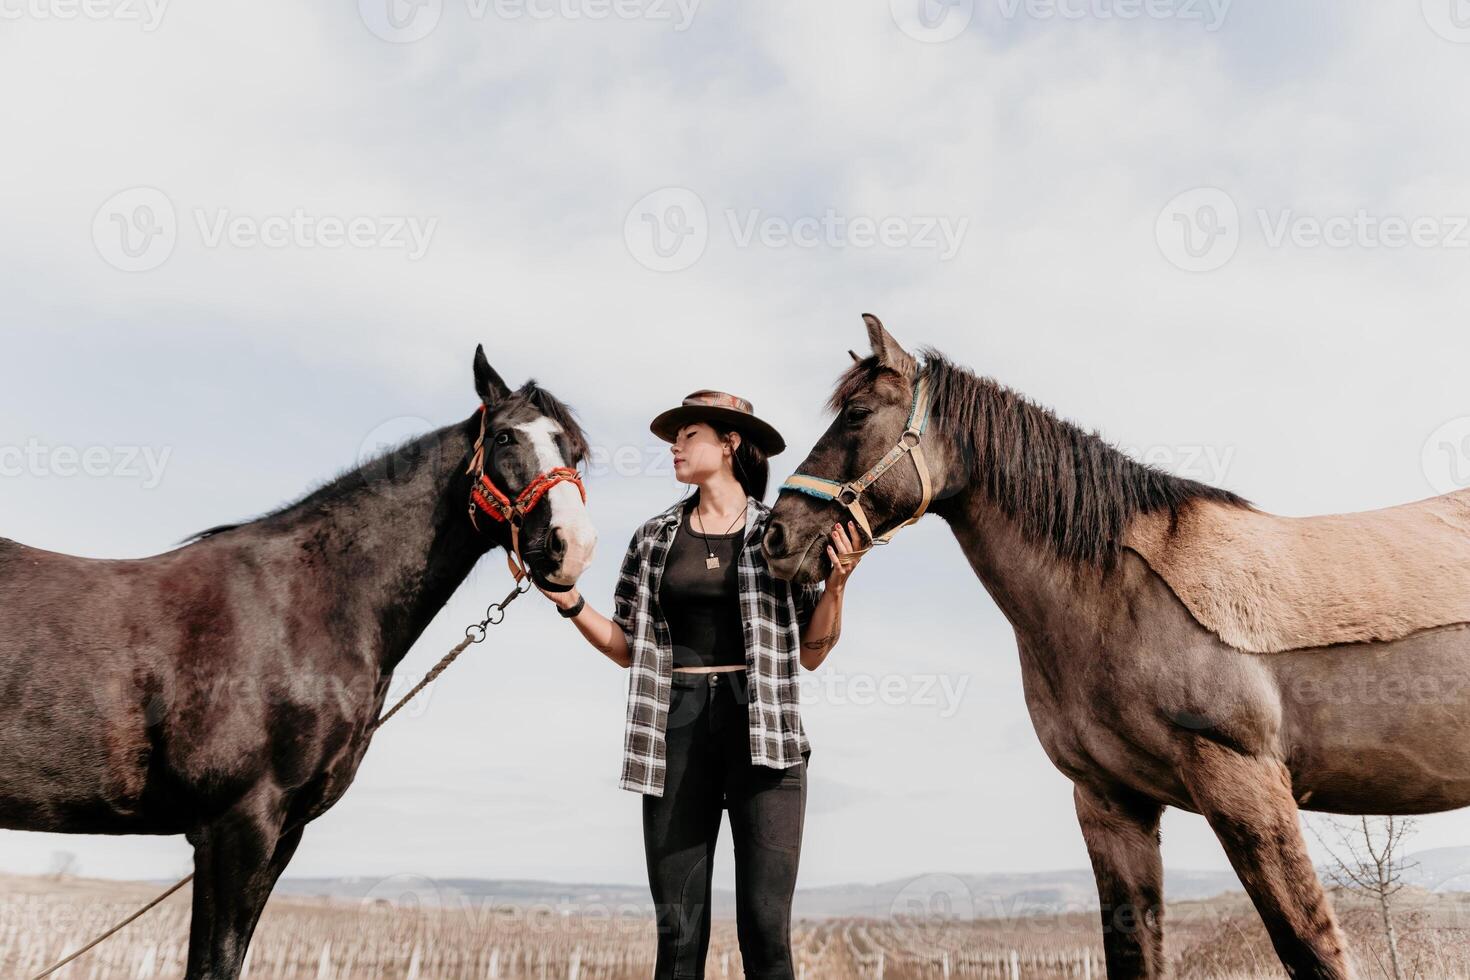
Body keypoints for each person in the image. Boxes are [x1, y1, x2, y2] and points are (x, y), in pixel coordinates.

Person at [538, 388, 861, 979]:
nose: (674, 447)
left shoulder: (781, 534)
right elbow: (629, 649)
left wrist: (837, 586)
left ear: (730, 442)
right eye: (673, 439)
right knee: (680, 939)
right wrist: (570, 603)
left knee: (766, 936)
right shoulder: (653, 537)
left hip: (766, 737)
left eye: (689, 436)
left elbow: (812, 654)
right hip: (673, 733)